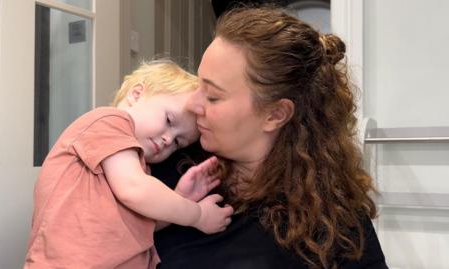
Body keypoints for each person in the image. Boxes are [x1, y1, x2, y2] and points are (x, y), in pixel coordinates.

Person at [153, 6, 388, 269]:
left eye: (213, 96)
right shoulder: (168, 163)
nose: (192, 104)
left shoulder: (333, 223)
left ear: (275, 114)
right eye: (199, 85)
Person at [24, 60, 234, 269]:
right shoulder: (108, 121)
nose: (169, 140)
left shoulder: (138, 168)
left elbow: (138, 225)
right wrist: (197, 214)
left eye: (178, 142)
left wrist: (179, 197)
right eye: (169, 120)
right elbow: (133, 189)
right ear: (136, 94)